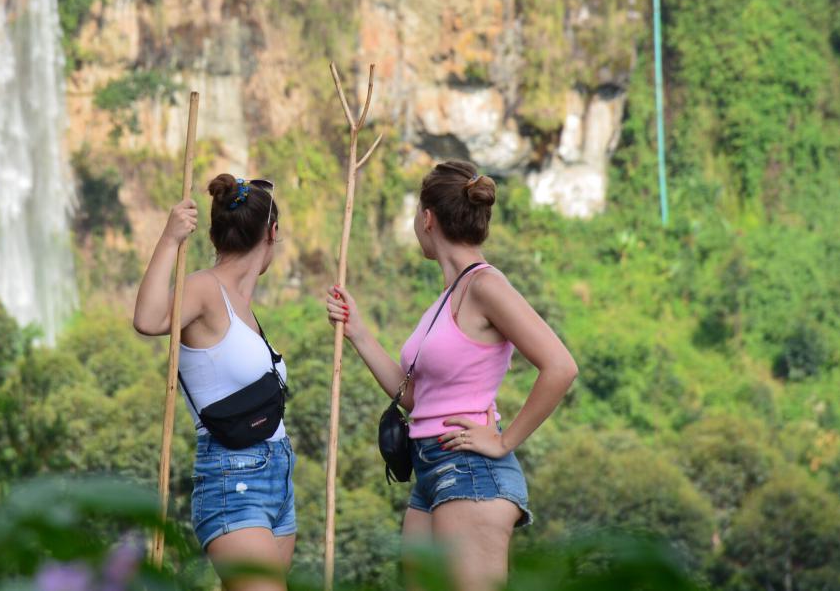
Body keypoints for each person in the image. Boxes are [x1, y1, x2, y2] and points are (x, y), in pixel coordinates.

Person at [325, 160, 578, 591]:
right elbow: (416, 398)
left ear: (427, 218)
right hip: (431, 469)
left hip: (470, 473)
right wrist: (358, 332)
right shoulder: (451, 294)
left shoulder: (485, 286)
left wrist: (503, 440)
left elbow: (560, 366)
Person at [134, 175, 294, 591]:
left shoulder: (243, 304)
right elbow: (149, 320)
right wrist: (169, 240)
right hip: (234, 480)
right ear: (272, 233)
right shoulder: (205, 288)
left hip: (277, 478)